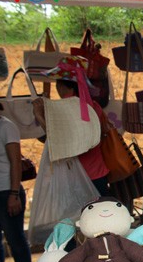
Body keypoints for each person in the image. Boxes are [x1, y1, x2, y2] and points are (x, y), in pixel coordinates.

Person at [32, 56, 111, 196]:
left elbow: (58, 142)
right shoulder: (94, 107)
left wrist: (39, 115)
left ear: (61, 86)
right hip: (98, 174)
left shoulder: (62, 109)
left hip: (75, 178)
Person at [0, 87, 33, 262]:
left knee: (15, 239)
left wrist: (14, 194)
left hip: (7, 190)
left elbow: (16, 162)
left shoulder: (5, 127)